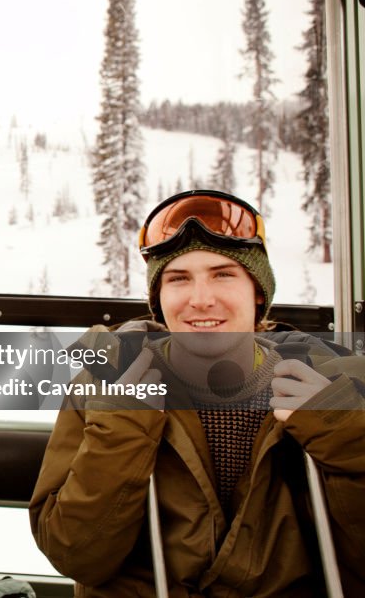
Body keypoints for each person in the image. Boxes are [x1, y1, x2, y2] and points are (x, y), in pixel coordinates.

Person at [30, 189, 365, 596]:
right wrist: (123, 428)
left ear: (257, 291)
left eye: (223, 274)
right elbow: (76, 555)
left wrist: (345, 436)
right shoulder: (107, 380)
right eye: (178, 279)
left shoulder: (333, 383)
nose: (201, 300)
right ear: (158, 298)